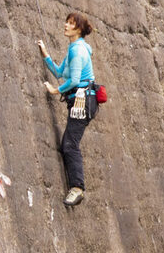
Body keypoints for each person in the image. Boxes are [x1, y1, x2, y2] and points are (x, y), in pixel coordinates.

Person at [38, 12, 98, 207]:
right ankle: (76, 187)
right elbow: (60, 73)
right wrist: (45, 54)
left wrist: (56, 91)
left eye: (71, 24)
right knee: (69, 143)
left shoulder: (78, 51)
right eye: (67, 22)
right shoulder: (73, 48)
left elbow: (73, 80)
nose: (65, 25)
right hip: (81, 101)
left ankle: (77, 188)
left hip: (83, 101)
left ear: (78, 29)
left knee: (70, 145)